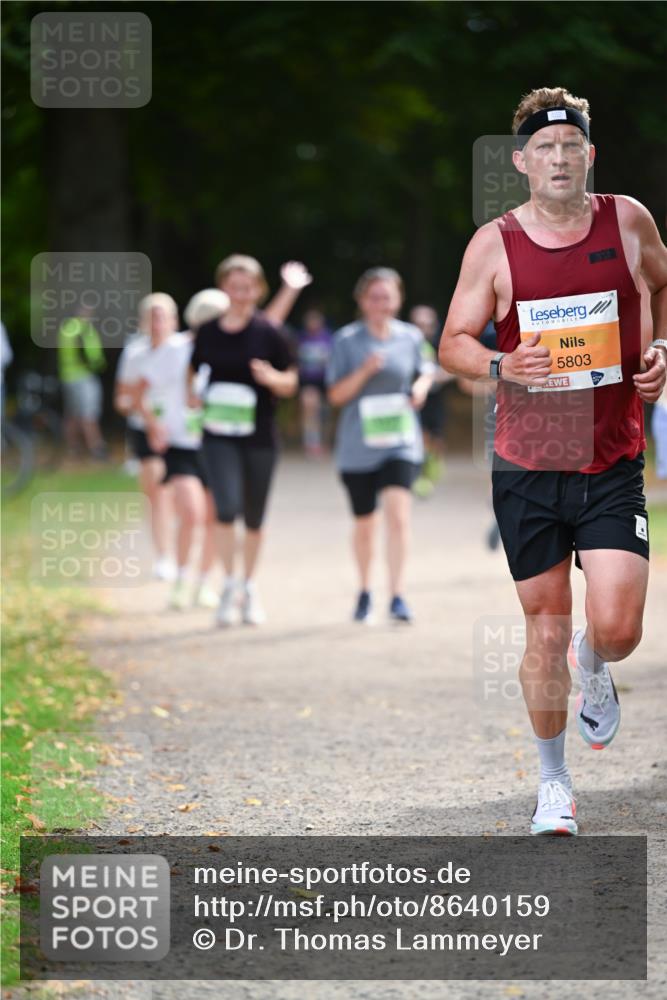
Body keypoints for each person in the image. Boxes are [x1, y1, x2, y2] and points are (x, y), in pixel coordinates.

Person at [440, 86, 667, 836]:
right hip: (529, 462)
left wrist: (661, 348)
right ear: (522, 162)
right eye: (545, 148)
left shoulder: (626, 220)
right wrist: (502, 365)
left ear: (589, 154)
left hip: (610, 456)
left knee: (619, 628)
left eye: (571, 146)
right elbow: (453, 344)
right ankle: (553, 784)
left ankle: (592, 661)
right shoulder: (494, 243)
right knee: (542, 625)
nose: (559, 158)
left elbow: (662, 284)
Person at [188, 255, 305, 626]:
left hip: (259, 437)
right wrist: (191, 395)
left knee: (254, 516)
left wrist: (272, 378)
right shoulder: (207, 332)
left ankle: (249, 586)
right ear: (223, 288)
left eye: (247, 288)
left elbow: (291, 382)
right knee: (225, 508)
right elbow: (192, 369)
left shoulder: (269, 333)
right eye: (234, 287)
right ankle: (228, 584)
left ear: (258, 290)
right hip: (217, 435)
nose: (240, 294)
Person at [326, 268, 433, 624]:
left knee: (398, 516)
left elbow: (427, 369)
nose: (380, 304)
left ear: (398, 300)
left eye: (387, 297)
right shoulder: (346, 340)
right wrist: (364, 371)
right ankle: (364, 591)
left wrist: (420, 389)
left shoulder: (410, 336)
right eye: (374, 297)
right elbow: (335, 395)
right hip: (358, 445)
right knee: (365, 524)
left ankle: (398, 595)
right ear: (361, 300)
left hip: (400, 442)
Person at [134, 290, 231, 610]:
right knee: (191, 512)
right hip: (181, 445)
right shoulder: (175, 350)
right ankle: (180, 579)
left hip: (217, 445)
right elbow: (139, 393)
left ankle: (203, 582)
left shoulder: (229, 352)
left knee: (214, 517)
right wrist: (153, 425)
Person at [114, 294, 178, 580]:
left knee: (179, 493)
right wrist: (135, 406)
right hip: (144, 429)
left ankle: (180, 544)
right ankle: (164, 555)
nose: (157, 323)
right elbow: (121, 396)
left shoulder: (183, 350)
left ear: (174, 320)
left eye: (162, 316)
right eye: (152, 317)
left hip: (179, 431)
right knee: (156, 489)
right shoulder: (134, 353)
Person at [409, 305, 454, 497]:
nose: (424, 329)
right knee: (420, 437)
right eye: (419, 324)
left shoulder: (442, 344)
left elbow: (455, 369)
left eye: (428, 325)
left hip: (436, 399)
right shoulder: (406, 343)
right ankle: (420, 475)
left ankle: (433, 469)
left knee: (436, 439)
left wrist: (437, 376)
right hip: (413, 400)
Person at [57, 304, 108, 459]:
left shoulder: (66, 328)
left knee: (72, 415)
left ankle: (73, 449)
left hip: (67, 376)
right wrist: (99, 365)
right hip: (84, 376)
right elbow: (88, 355)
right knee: (89, 414)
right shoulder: (84, 329)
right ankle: (96, 448)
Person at [295, 308, 333, 457]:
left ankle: (325, 441)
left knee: (325, 413)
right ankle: (312, 442)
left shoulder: (329, 338)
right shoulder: (301, 338)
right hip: (308, 381)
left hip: (326, 381)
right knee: (309, 408)